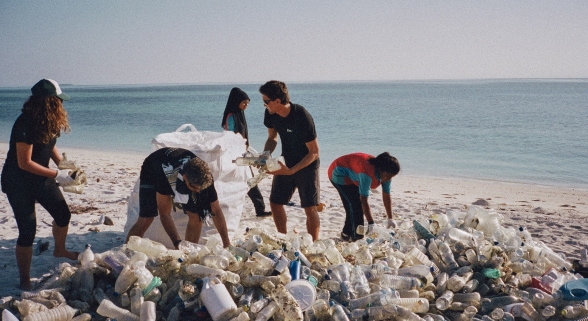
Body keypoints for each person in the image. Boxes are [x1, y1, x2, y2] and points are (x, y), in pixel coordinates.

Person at [1, 79, 79, 290]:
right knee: (28, 231)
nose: (62, 105)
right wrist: (57, 174)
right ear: (49, 102)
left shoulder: (50, 120)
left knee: (63, 215)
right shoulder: (24, 123)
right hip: (18, 181)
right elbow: (23, 162)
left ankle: (59, 250)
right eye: (58, 101)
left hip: (41, 177)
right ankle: (25, 280)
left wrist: (67, 167)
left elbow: (50, 146)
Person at [125, 147, 231, 248]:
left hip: (184, 169)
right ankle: (125, 249)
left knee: (196, 215)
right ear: (184, 178)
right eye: (194, 187)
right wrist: (177, 243)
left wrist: (227, 244)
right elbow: (164, 214)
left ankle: (189, 253)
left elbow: (216, 209)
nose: (198, 191)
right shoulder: (166, 175)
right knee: (146, 218)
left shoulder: (205, 178)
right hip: (153, 167)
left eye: (200, 188)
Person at [259, 80, 321, 240]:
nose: (264, 105)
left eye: (266, 101)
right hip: (286, 161)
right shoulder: (270, 114)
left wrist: (292, 171)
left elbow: (314, 152)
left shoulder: (301, 116)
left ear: (278, 101)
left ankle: (312, 244)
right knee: (275, 203)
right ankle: (282, 238)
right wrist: (265, 154)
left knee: (310, 208)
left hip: (307, 165)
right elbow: (272, 138)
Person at [221, 87, 272, 217]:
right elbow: (229, 136)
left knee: (249, 181)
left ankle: (260, 209)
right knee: (247, 181)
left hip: (242, 153)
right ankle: (259, 209)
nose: (246, 106)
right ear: (236, 102)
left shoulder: (240, 115)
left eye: (247, 103)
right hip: (234, 155)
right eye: (244, 103)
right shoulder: (231, 116)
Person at [328, 152, 400, 241]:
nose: (389, 179)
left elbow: (386, 195)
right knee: (355, 206)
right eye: (388, 176)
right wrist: (371, 223)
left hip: (354, 175)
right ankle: (357, 238)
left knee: (353, 206)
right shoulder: (367, 173)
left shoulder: (386, 175)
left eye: (391, 177)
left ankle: (346, 234)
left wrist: (390, 218)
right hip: (338, 172)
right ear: (381, 169)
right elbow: (364, 200)